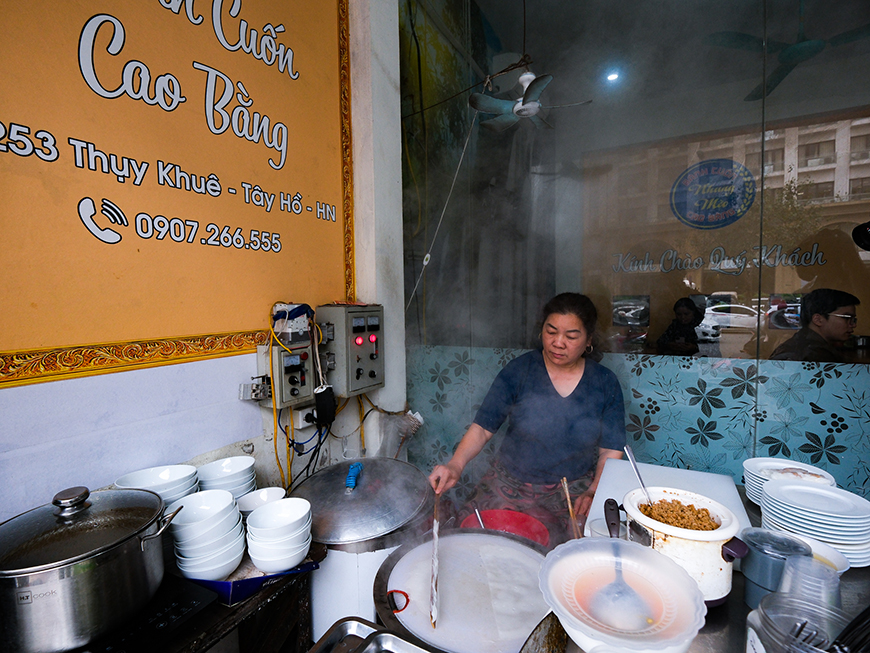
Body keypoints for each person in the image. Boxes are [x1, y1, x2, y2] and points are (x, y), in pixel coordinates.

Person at [428, 293, 626, 548]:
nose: (558, 342)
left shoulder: (604, 381)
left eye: (571, 336)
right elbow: (482, 429)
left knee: (573, 548)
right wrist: (455, 465)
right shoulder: (519, 370)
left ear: (588, 339)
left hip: (573, 486)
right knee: (471, 536)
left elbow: (611, 448)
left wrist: (593, 490)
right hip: (508, 480)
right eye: (551, 331)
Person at [770, 288, 860, 363]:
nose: (853, 325)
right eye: (847, 318)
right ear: (818, 320)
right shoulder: (814, 354)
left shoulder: (803, 344)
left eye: (853, 319)